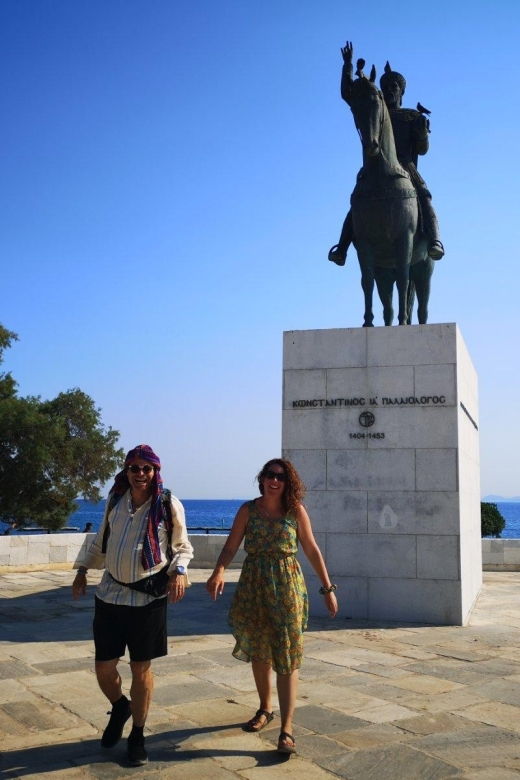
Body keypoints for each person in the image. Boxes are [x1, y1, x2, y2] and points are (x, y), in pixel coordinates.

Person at [206, 458, 338, 756]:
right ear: (262, 478)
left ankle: (287, 728)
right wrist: (218, 571)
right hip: (254, 585)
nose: (274, 480)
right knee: (260, 649)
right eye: (269, 475)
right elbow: (231, 545)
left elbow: (311, 549)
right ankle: (265, 708)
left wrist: (327, 588)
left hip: (287, 586)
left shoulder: (295, 511)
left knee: (287, 653)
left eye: (280, 477)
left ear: (288, 482)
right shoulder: (248, 510)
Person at [72, 444, 193, 766]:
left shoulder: (167, 504)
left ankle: (138, 735)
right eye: (134, 468)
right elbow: (101, 540)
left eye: (146, 469)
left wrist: (179, 572)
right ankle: (120, 706)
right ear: (126, 471)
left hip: (147, 598)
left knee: (141, 668)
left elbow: (183, 546)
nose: (140, 474)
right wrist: (82, 571)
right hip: (110, 594)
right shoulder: (115, 500)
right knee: (104, 666)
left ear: (155, 472)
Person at [329, 42, 444, 266]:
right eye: (386, 86)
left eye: (394, 86)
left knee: (424, 196)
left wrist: (422, 133)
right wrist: (347, 66)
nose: (390, 89)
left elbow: (422, 150)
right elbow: (348, 95)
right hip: (374, 167)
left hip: (406, 169)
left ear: (401, 91)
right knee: (357, 201)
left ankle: (434, 240)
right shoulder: (374, 109)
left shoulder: (411, 116)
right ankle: (342, 247)